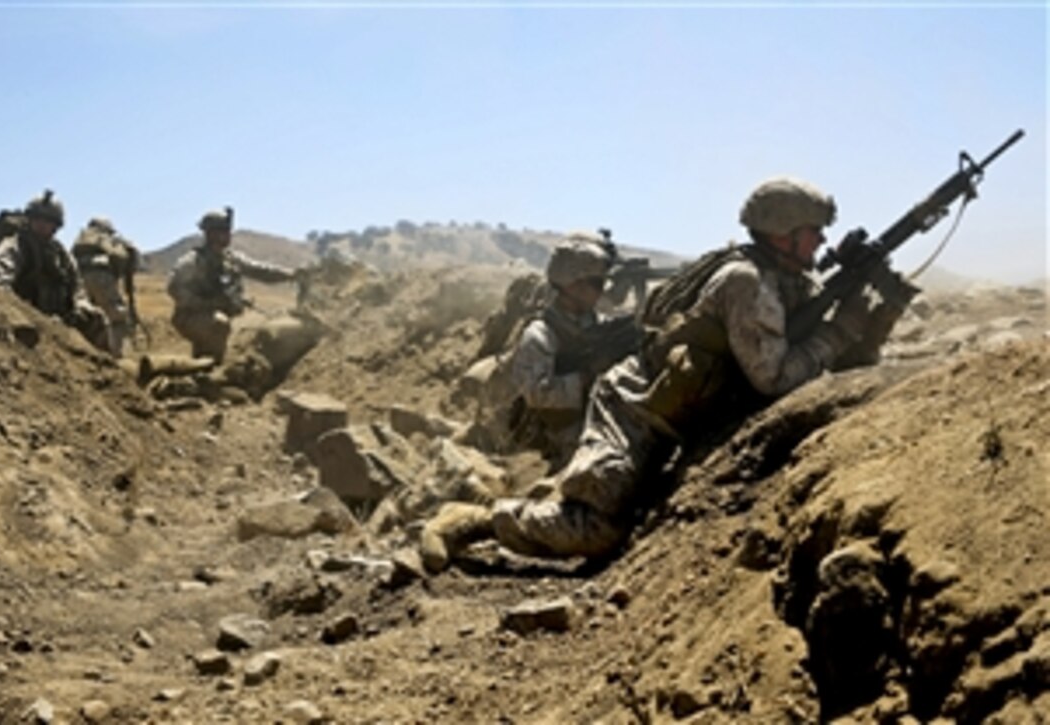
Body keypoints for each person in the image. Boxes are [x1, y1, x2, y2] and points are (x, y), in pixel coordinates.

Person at [420, 177, 917, 572]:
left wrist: (869, 325)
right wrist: (839, 331)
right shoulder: (745, 281)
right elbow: (775, 379)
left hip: (676, 408)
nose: (822, 240)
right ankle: (478, 523)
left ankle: (564, 489)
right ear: (782, 231)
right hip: (634, 406)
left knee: (607, 500)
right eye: (814, 229)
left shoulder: (787, 281)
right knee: (598, 529)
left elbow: (837, 372)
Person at [506, 233, 615, 470]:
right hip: (560, 431)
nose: (601, 290)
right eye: (596, 283)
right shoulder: (540, 335)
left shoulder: (600, 324)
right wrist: (586, 377)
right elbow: (536, 393)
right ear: (572, 285)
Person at [167, 207, 297, 362]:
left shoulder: (229, 258)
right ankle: (211, 368)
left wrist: (291, 274)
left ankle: (202, 367)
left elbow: (260, 271)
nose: (228, 235)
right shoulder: (192, 262)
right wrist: (208, 303)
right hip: (188, 317)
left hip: (210, 315)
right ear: (211, 234)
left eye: (228, 230)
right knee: (219, 324)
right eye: (223, 230)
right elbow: (173, 288)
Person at [0, 189, 110, 350]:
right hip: (26, 318)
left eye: (48, 221)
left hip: (60, 319)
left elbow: (77, 287)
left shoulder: (61, 254)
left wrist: (81, 305)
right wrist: (23, 314)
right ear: (29, 219)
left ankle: (108, 368)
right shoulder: (13, 247)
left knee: (96, 318)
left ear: (56, 226)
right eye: (37, 219)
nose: (42, 225)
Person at [71, 217, 139, 358]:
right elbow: (128, 257)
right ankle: (117, 355)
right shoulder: (110, 240)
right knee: (117, 317)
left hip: (80, 278)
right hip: (103, 277)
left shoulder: (80, 239)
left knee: (88, 316)